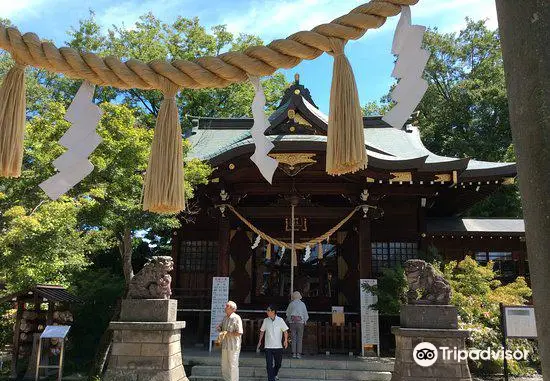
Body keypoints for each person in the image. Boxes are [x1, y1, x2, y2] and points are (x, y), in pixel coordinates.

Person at [257, 305, 289, 381]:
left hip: (278, 346)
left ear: (273, 311)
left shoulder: (280, 320)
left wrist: (285, 340)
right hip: (268, 346)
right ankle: (271, 379)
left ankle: (274, 374)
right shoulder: (265, 320)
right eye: (267, 310)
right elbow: (262, 331)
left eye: (268, 310)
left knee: (278, 364)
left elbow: (285, 331)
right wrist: (259, 341)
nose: (267, 312)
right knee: (269, 365)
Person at [218, 301, 243, 381]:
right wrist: (219, 328)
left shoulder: (236, 318)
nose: (225, 307)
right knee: (224, 365)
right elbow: (221, 327)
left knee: (233, 365)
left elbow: (239, 332)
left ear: (232, 309)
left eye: (227, 306)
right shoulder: (225, 317)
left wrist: (228, 333)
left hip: (233, 345)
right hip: (225, 345)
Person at [285, 291, 309, 359]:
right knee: (299, 338)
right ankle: (298, 354)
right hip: (300, 323)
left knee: (293, 338)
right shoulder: (302, 304)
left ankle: (294, 353)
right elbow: (305, 314)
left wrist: (289, 319)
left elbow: (288, 314)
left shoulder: (291, 304)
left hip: (292, 323)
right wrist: (305, 320)